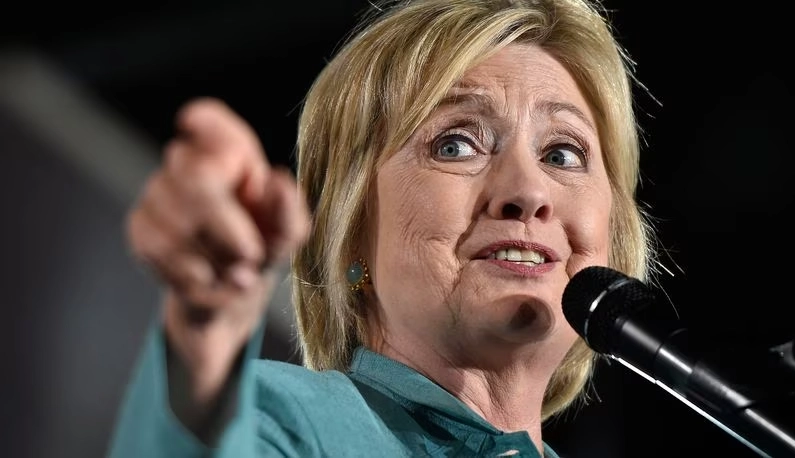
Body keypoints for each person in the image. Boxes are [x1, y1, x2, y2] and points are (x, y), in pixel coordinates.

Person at [107, 0, 656, 456]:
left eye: (563, 153)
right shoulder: (287, 423)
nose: (528, 193)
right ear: (349, 232)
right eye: (455, 144)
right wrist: (206, 328)